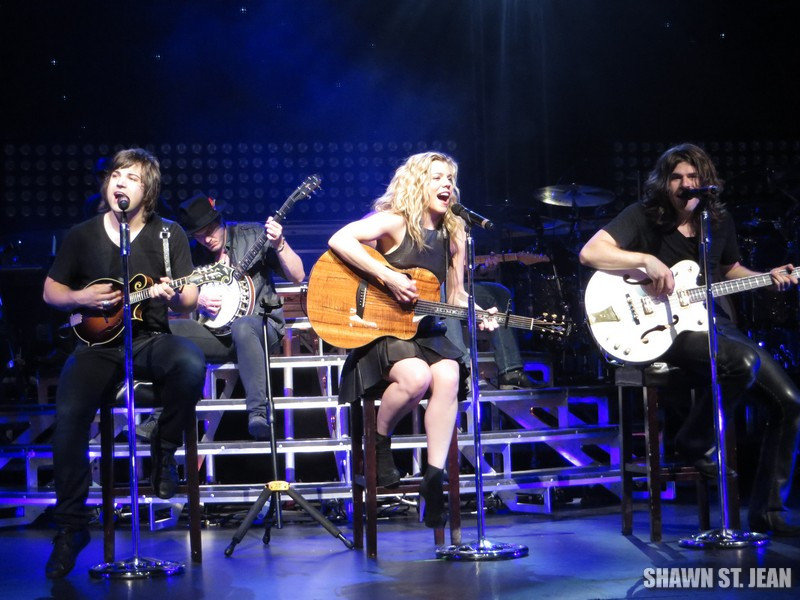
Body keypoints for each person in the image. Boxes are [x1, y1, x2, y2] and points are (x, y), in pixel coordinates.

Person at [579, 142, 800, 536]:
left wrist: (766, 278)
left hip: (712, 322)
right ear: (664, 182)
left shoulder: (718, 221)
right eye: (677, 177)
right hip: (664, 330)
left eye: (692, 177)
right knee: (741, 362)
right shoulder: (645, 216)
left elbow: (727, 268)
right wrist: (643, 259)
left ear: (706, 182)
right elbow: (591, 252)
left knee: (790, 402)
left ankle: (767, 512)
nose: (685, 184)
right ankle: (695, 440)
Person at [42, 148, 207, 578]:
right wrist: (80, 298)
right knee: (68, 419)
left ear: (147, 190)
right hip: (97, 347)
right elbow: (50, 292)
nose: (120, 182)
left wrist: (178, 295)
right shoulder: (82, 234)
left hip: (150, 338)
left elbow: (188, 304)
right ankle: (71, 529)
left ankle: (163, 451)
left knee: (190, 363)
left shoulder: (169, 235)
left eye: (131, 177)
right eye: (116, 175)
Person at [329, 151, 497, 529]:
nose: (447, 184)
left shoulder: (456, 232)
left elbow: (454, 297)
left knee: (450, 375)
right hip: (384, 330)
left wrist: (482, 315)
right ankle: (378, 440)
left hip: (425, 331)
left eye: (450, 178)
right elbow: (340, 238)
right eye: (437, 177)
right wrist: (388, 277)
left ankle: (433, 480)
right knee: (417, 377)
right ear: (418, 182)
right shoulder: (394, 222)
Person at [167, 193, 306, 440]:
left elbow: (297, 275)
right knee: (168, 331)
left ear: (220, 220)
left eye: (210, 230)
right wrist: (197, 300)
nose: (206, 239)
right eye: (198, 235)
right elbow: (182, 295)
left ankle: (258, 414)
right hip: (218, 336)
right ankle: (162, 415)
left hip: (260, 329)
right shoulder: (193, 254)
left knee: (243, 326)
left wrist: (280, 244)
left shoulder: (252, 235)